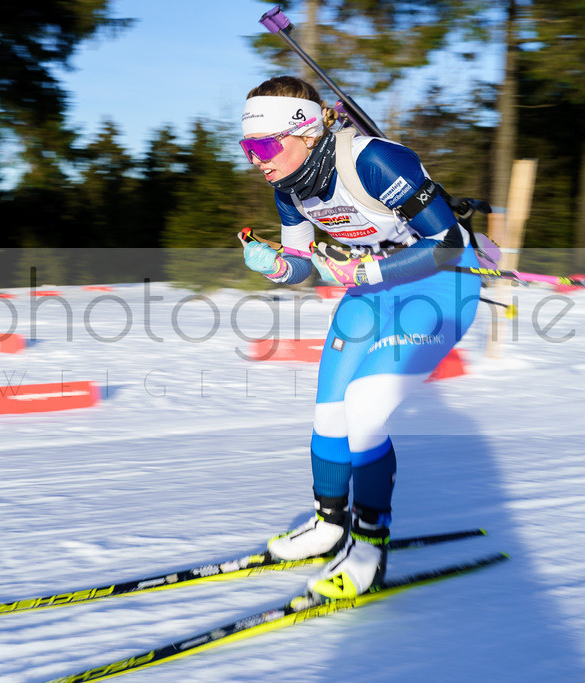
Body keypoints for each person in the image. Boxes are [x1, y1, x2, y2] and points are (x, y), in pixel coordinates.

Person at [238, 76, 483, 600]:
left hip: (439, 285)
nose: (256, 159)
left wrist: (367, 271)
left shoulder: (375, 161)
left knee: (365, 408)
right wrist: (276, 266)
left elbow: (448, 242)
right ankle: (329, 525)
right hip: (372, 290)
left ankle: (369, 546)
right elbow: (302, 265)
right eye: (247, 148)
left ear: (305, 131)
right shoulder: (289, 187)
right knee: (330, 411)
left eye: (263, 146)